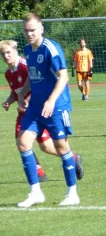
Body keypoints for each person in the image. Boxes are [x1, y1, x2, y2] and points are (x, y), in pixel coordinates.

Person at [16, 13, 83, 208]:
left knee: (61, 147)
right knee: (23, 143)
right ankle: (35, 192)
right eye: (26, 31)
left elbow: (63, 77)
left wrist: (52, 100)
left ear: (41, 29)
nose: (29, 34)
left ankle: (72, 194)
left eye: (33, 30)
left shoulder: (50, 49)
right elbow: (33, 75)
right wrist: (22, 93)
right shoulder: (28, 50)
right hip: (36, 106)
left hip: (56, 107)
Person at [1, 39, 84, 185]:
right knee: (22, 143)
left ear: (15, 50)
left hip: (39, 108)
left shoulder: (25, 65)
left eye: (8, 52)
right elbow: (17, 91)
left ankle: (72, 158)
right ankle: (38, 173)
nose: (6, 56)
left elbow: (38, 85)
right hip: (25, 113)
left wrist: (28, 101)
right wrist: (9, 100)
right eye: (3, 54)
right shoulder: (8, 73)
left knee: (45, 146)